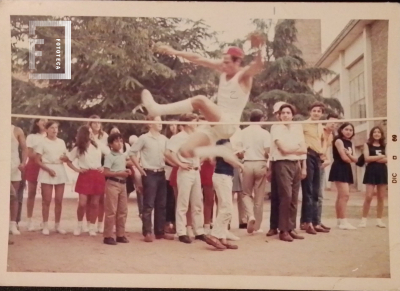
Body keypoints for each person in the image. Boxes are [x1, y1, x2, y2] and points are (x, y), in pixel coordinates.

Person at [134, 33, 265, 166]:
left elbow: (257, 66)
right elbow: (198, 58)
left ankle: (157, 110)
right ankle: (220, 151)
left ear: (237, 62)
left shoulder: (244, 76)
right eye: (223, 62)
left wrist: (260, 48)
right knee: (185, 151)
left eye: (227, 63)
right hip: (215, 123)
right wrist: (174, 51)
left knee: (200, 100)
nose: (223, 65)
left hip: (229, 123)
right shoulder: (223, 68)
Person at [129, 116, 173, 242]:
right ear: (150, 123)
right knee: (148, 204)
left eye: (160, 121)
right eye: (157, 121)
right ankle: (147, 232)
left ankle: (159, 232)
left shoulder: (164, 139)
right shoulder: (144, 138)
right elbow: (131, 153)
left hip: (161, 173)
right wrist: (140, 169)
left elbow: (168, 155)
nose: (160, 123)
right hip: (149, 173)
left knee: (161, 204)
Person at [165, 113, 208, 244]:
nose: (197, 124)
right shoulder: (178, 137)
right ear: (188, 123)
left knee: (197, 202)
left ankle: (199, 231)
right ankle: (181, 232)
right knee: (183, 202)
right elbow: (168, 153)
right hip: (185, 172)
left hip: (195, 171)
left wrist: (199, 161)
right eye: (195, 121)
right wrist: (180, 164)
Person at [270, 104, 307, 242]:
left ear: (292, 115)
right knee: (286, 196)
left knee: (294, 198)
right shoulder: (276, 127)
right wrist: (294, 149)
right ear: (279, 115)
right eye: (283, 113)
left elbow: (304, 149)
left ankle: (291, 228)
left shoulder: (297, 127)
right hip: (282, 163)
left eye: (288, 113)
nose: (286, 115)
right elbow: (283, 149)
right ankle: (283, 230)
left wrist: (292, 150)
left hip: (295, 163)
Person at [65, 125, 110, 236]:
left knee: (95, 203)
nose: (91, 134)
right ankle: (79, 225)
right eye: (89, 133)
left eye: (91, 133)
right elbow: (69, 161)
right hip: (85, 175)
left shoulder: (98, 145)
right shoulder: (78, 148)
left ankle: (92, 227)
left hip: (97, 174)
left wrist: (104, 167)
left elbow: (109, 153)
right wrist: (78, 170)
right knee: (82, 203)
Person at [204, 139, 244, 250]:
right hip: (222, 176)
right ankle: (214, 235)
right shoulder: (223, 140)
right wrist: (240, 164)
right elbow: (227, 158)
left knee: (224, 207)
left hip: (223, 176)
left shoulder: (222, 141)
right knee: (227, 207)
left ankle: (222, 237)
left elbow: (214, 160)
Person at [300, 102, 329, 234]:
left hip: (317, 157)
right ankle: (307, 222)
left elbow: (324, 140)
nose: (316, 113)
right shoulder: (303, 124)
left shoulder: (320, 126)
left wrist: (323, 152)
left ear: (322, 113)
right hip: (307, 155)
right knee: (308, 191)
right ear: (310, 112)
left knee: (316, 191)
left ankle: (316, 222)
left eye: (319, 111)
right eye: (314, 110)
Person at [240, 109, 271, 234]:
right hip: (260, 163)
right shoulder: (265, 133)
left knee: (246, 194)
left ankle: (250, 215)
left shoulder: (243, 132)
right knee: (259, 196)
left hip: (247, 163)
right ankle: (257, 226)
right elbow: (268, 150)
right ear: (262, 119)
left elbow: (239, 152)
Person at [35, 121, 69, 235]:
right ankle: (45, 225)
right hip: (47, 170)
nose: (54, 130)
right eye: (52, 128)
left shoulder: (61, 142)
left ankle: (57, 225)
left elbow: (65, 157)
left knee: (59, 200)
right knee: (47, 200)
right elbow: (37, 160)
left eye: (56, 128)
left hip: (59, 170)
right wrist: (48, 170)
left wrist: (65, 158)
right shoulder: (42, 142)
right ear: (47, 129)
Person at [102, 132, 131, 245]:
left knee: (123, 210)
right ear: (110, 144)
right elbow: (106, 172)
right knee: (111, 211)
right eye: (116, 141)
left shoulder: (122, 156)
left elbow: (121, 168)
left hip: (123, 184)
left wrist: (126, 171)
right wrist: (120, 173)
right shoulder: (109, 156)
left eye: (121, 141)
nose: (119, 143)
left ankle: (120, 234)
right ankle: (108, 235)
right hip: (113, 184)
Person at [328, 122, 358, 230]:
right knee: (345, 195)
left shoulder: (351, 142)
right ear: (341, 130)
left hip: (346, 168)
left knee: (341, 196)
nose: (349, 132)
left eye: (351, 130)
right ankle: (343, 221)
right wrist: (350, 157)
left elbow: (356, 159)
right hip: (339, 167)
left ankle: (340, 221)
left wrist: (349, 155)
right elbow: (344, 158)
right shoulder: (338, 141)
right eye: (346, 129)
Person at [359, 126, 388, 228]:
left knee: (381, 197)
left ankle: (379, 220)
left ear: (381, 134)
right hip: (371, 171)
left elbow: (388, 159)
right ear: (371, 134)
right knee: (369, 196)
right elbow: (367, 158)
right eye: (374, 132)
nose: (376, 134)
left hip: (382, 172)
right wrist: (381, 156)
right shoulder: (367, 145)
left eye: (378, 132)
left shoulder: (385, 145)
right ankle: (363, 220)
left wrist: (374, 158)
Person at [317, 113, 339, 230]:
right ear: (326, 121)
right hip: (314, 161)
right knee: (312, 194)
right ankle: (309, 222)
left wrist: (327, 160)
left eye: (336, 123)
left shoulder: (331, 136)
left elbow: (327, 150)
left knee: (320, 195)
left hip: (322, 164)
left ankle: (317, 221)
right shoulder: (320, 129)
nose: (333, 124)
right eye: (332, 121)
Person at [266, 101, 286, 237]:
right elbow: (272, 150)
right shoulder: (275, 127)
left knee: (287, 197)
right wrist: (270, 168)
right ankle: (273, 226)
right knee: (275, 196)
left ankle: (286, 226)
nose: (281, 115)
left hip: (289, 162)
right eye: (279, 113)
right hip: (276, 161)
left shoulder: (293, 127)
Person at [87, 115, 109, 233]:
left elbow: (108, 153)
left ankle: (100, 224)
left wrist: (105, 167)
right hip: (90, 167)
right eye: (94, 123)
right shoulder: (86, 135)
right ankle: (88, 222)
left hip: (101, 167)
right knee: (88, 198)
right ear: (90, 125)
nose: (97, 125)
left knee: (101, 199)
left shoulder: (104, 136)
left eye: (99, 123)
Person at [25, 118, 47, 231]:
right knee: (31, 193)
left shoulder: (48, 136)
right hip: (34, 165)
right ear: (37, 123)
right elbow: (29, 153)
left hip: (45, 165)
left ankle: (44, 222)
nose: (45, 122)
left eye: (46, 121)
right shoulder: (31, 137)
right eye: (42, 120)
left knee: (46, 194)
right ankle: (29, 221)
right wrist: (40, 155)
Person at [10, 124, 28, 235]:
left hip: (14, 166)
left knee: (14, 196)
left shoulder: (17, 130)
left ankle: (12, 224)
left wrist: (23, 163)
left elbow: (24, 148)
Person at [129, 135, 144, 218]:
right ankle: (141, 211)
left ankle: (142, 211)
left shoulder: (142, 150)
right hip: (138, 171)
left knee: (141, 191)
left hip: (143, 170)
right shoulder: (132, 151)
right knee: (139, 190)